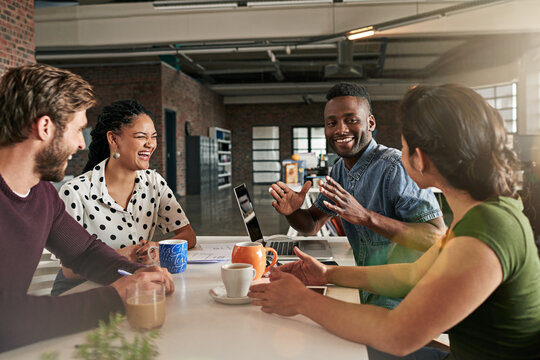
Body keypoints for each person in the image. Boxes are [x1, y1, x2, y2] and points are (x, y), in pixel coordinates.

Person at [250, 84, 540, 359]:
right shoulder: (486, 213)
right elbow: (414, 275)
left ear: (420, 158)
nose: (399, 153)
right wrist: (326, 275)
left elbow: (398, 335)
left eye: (403, 145)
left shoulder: (485, 230)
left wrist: (301, 300)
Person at [0, 64, 174, 352]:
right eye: (78, 129)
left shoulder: (42, 194)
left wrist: (137, 275)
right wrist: (115, 298)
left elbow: (84, 252)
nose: (82, 144)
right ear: (45, 127)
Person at [270, 82, 445, 308]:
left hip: (403, 299)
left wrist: (365, 216)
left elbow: (436, 238)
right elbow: (312, 224)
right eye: (332, 123)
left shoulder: (394, 166)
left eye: (351, 120)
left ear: (370, 122)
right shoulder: (340, 169)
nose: (340, 130)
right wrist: (293, 211)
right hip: (365, 288)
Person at [51, 100, 196, 295]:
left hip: (132, 285)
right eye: (140, 136)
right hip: (81, 293)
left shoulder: (154, 182)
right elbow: (69, 270)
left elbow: (188, 235)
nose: (150, 144)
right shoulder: (75, 192)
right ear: (114, 139)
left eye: (153, 137)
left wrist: (157, 248)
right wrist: (124, 255)